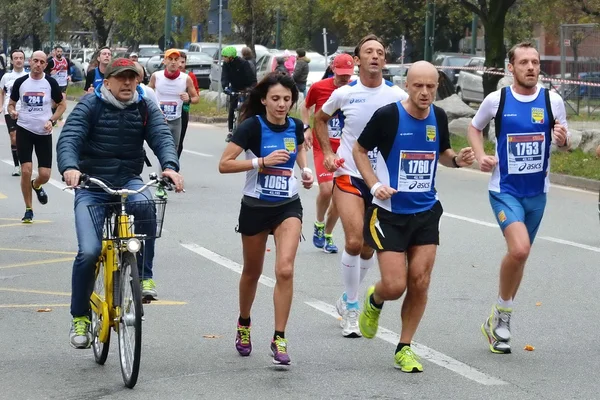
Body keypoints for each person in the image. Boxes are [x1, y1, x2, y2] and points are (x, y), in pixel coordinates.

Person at [354, 61, 475, 372]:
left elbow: (444, 153)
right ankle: (375, 299)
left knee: (420, 281)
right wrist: (375, 184)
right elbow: (358, 150)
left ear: (437, 87)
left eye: (430, 86)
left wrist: (458, 160)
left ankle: (404, 347)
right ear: (406, 85)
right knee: (395, 286)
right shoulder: (389, 116)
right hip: (389, 214)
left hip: (425, 212)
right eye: (418, 85)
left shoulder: (438, 116)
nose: (424, 92)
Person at [57, 57, 184, 349]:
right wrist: (70, 167)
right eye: (122, 78)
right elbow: (70, 139)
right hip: (92, 184)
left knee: (146, 204)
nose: (128, 83)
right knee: (88, 252)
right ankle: (80, 317)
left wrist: (170, 166)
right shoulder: (90, 105)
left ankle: (144, 275)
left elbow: (162, 137)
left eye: (133, 78)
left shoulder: (144, 106)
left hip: (128, 179)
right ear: (108, 81)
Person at [466, 42, 570, 354]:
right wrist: (482, 155)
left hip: (537, 193)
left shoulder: (552, 101)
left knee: (520, 256)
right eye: (523, 62)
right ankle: (503, 316)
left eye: (535, 62)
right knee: (520, 248)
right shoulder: (497, 100)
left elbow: (564, 142)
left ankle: (500, 318)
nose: (530, 67)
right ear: (511, 68)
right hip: (504, 191)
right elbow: (474, 128)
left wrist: (564, 141)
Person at [314, 34, 408, 338]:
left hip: (380, 181)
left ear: (385, 60)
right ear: (357, 60)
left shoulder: (397, 95)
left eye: (380, 52)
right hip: (349, 174)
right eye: (368, 52)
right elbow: (320, 118)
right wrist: (328, 153)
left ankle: (345, 297)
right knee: (354, 241)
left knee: (368, 247)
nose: (375, 56)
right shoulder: (345, 93)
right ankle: (353, 308)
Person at [218, 72, 314, 366]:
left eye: (287, 99)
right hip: (255, 207)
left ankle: (279, 337)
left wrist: (305, 171)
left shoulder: (296, 126)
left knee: (284, 270)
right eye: (275, 99)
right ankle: (244, 324)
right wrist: (259, 162)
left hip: (288, 206)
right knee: (252, 271)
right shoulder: (251, 128)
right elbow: (224, 164)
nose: (282, 104)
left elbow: (297, 147)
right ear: (264, 100)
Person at [301, 53, 354, 253]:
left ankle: (329, 235)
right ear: (333, 69)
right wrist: (306, 128)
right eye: (341, 74)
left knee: (341, 194)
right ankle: (319, 223)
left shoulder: (355, 89)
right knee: (326, 190)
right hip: (323, 145)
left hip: (345, 149)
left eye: (347, 75)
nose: (344, 79)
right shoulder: (319, 87)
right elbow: (305, 107)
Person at [8, 50, 66, 223]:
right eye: (35, 61)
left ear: (45, 65)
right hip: (24, 129)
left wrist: (52, 120)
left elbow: (62, 105)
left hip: (43, 132)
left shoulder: (50, 83)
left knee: (45, 174)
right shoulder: (21, 82)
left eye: (42, 62)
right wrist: (12, 112)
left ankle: (37, 184)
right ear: (30, 62)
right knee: (26, 170)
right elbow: (11, 104)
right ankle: (28, 209)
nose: (38, 64)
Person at [149, 49, 199, 155]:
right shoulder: (156, 76)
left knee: (174, 150)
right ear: (164, 61)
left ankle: (170, 169)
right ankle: (162, 170)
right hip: (159, 119)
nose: (173, 62)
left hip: (176, 120)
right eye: (170, 59)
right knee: (161, 148)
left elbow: (196, 98)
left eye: (176, 59)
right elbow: (147, 93)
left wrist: (189, 99)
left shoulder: (186, 78)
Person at [0, 49, 27, 177]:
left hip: (25, 110)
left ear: (24, 60)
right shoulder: (6, 77)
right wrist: (1, 106)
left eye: (20, 58)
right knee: (14, 137)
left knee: (24, 138)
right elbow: (2, 92)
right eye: (15, 58)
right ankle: (17, 166)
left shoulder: (28, 76)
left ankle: (25, 163)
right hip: (9, 109)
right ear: (11, 60)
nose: (18, 60)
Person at [221, 46, 257, 142]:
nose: (223, 58)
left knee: (247, 108)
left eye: (225, 56)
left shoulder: (243, 64)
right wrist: (225, 87)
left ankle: (248, 128)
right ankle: (230, 131)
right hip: (234, 88)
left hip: (245, 87)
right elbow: (224, 77)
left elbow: (252, 78)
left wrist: (250, 89)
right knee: (232, 108)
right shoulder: (226, 64)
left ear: (231, 57)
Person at [178, 52, 200, 158]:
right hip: (165, 112)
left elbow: (196, 99)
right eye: (178, 61)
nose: (180, 65)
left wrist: (189, 99)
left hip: (183, 110)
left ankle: (173, 165)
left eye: (183, 62)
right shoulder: (161, 76)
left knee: (179, 141)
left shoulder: (190, 76)